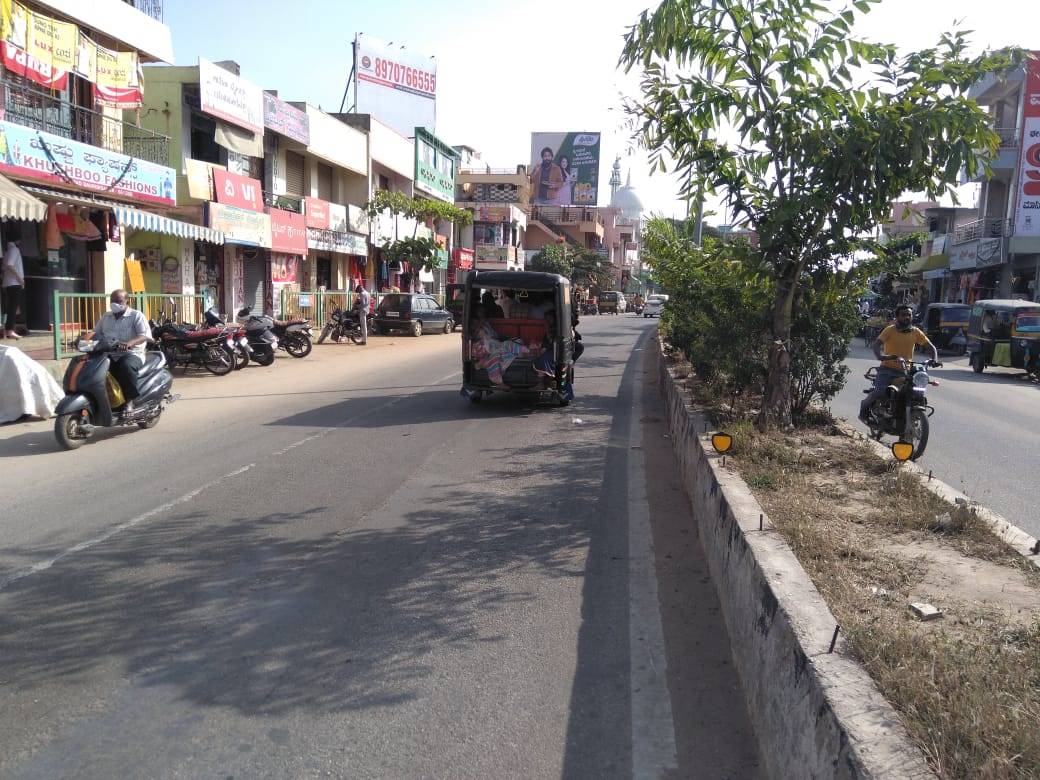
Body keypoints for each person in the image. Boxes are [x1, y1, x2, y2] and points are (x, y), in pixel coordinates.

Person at [859, 304, 938, 424]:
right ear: (897, 317)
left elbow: (931, 347)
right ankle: (863, 411)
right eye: (903, 315)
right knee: (880, 391)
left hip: (906, 371)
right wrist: (880, 356)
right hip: (887, 369)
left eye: (909, 315)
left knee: (915, 392)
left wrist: (934, 359)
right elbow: (876, 345)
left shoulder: (916, 332)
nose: (907, 317)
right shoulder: (890, 330)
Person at [92, 290, 152, 408]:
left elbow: (144, 335)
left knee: (126, 367)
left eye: (118, 301)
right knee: (95, 367)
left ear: (127, 302)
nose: (114, 304)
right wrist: (82, 339)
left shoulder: (136, 315)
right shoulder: (106, 317)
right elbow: (95, 333)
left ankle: (130, 400)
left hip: (132, 353)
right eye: (112, 301)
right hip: (110, 353)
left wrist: (129, 343)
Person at [2, 238, 24, 339]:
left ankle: (9, 329)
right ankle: (10, 330)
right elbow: (9, 265)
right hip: (14, 283)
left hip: (9, 283)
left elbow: (4, 267)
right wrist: (20, 279)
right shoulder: (15, 250)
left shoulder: (7, 251)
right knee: (13, 307)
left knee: (13, 307)